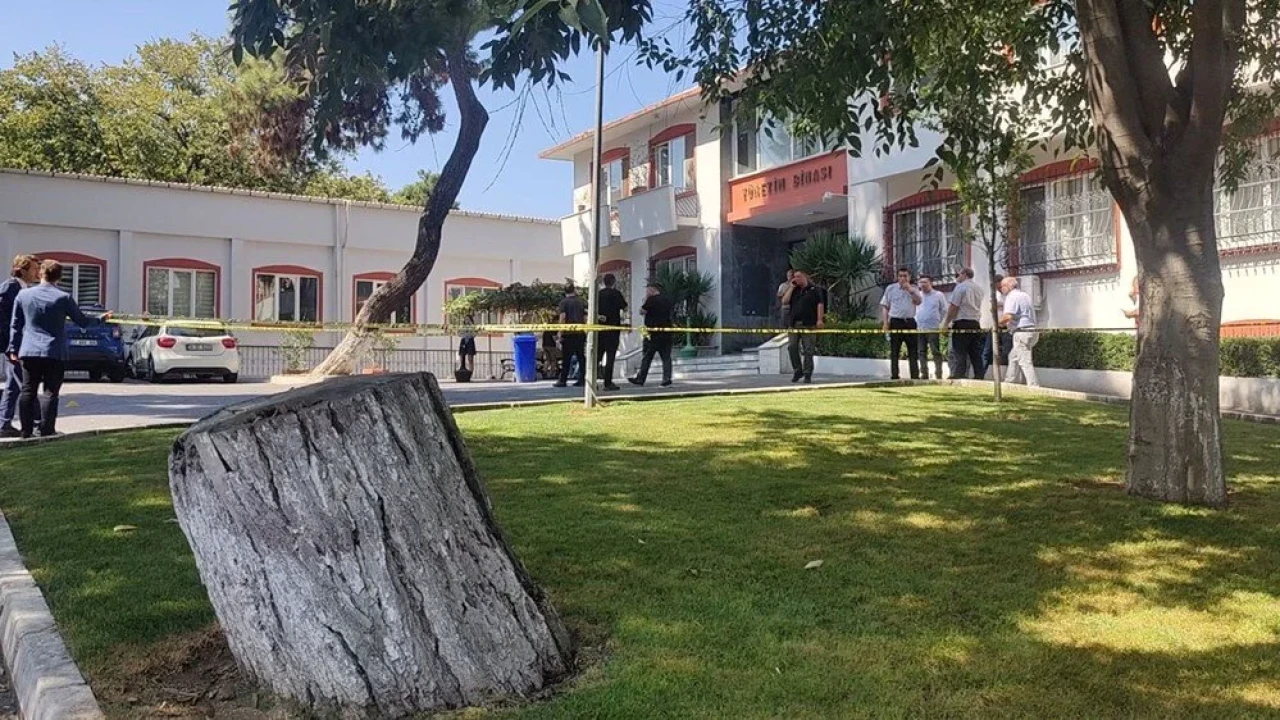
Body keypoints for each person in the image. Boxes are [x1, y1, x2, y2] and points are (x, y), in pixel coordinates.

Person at [6, 260, 111, 438]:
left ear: (41, 273)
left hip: (29, 350)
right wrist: (101, 318)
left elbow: (15, 325)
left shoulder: (23, 295)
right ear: (59, 277)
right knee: (50, 392)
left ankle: (25, 430)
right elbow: (82, 321)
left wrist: (12, 348)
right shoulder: (63, 297)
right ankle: (47, 429)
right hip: (54, 351)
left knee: (28, 391)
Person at [0, 255, 40, 438]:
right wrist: (10, 344)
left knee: (14, 385)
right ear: (22, 270)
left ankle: (4, 423)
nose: (37, 273)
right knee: (25, 383)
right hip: (13, 345)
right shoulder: (10, 288)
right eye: (34, 269)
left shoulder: (24, 289)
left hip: (20, 343)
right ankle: (40, 422)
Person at [942, 267, 986, 378]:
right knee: (975, 352)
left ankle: (959, 375)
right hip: (975, 322)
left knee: (959, 351)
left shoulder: (960, 287)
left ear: (965, 274)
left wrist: (946, 323)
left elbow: (954, 306)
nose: (957, 277)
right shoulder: (979, 288)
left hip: (962, 322)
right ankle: (979, 375)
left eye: (959, 274)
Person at [880, 266, 922, 380]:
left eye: (905, 276)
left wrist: (910, 290)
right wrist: (885, 323)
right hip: (896, 321)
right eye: (900, 276)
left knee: (913, 350)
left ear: (909, 277)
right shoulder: (891, 288)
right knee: (895, 350)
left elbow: (919, 301)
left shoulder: (914, 288)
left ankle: (915, 376)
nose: (903, 278)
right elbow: (885, 306)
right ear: (897, 277)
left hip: (910, 322)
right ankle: (894, 375)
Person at [629, 282, 674, 387]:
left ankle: (640, 379)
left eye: (648, 290)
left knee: (647, 357)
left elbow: (642, 311)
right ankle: (667, 379)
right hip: (666, 332)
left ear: (652, 290)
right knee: (666, 357)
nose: (646, 292)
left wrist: (645, 300)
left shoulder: (651, 300)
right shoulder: (666, 300)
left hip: (652, 334)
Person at [787, 269, 826, 384]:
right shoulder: (795, 290)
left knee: (808, 349)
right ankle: (797, 370)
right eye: (795, 277)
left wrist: (820, 319)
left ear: (805, 277)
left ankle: (807, 373)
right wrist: (791, 287)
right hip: (794, 323)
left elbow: (820, 304)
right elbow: (784, 301)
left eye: (798, 276)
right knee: (792, 347)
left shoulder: (814, 290)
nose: (796, 279)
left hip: (809, 323)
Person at [999, 276, 1039, 387]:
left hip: (1021, 331)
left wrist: (997, 324)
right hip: (1032, 330)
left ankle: (1034, 386)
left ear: (1008, 286)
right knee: (1013, 356)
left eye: (1002, 286)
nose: (1001, 289)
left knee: (1024, 361)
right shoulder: (1025, 295)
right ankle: (1009, 382)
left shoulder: (1011, 297)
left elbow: (1008, 316)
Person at [596, 273, 627, 391]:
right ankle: (607, 383)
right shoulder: (616, 294)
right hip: (613, 329)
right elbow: (625, 307)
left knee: (597, 356)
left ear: (604, 282)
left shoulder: (599, 294)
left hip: (600, 329)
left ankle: (592, 380)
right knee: (610, 357)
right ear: (614, 282)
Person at [914, 274, 948, 380]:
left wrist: (939, 321)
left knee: (935, 351)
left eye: (925, 282)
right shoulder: (918, 295)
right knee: (921, 352)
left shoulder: (938, 295)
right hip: (920, 327)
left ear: (931, 283)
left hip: (933, 328)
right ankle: (924, 374)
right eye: (921, 282)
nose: (922, 284)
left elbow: (944, 310)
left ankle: (938, 373)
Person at [553, 284, 587, 387]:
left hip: (568, 334)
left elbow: (563, 317)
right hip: (580, 333)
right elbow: (585, 317)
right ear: (574, 290)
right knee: (581, 357)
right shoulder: (581, 301)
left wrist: (560, 332)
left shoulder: (564, 302)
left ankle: (563, 380)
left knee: (566, 358)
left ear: (565, 291)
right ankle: (582, 379)